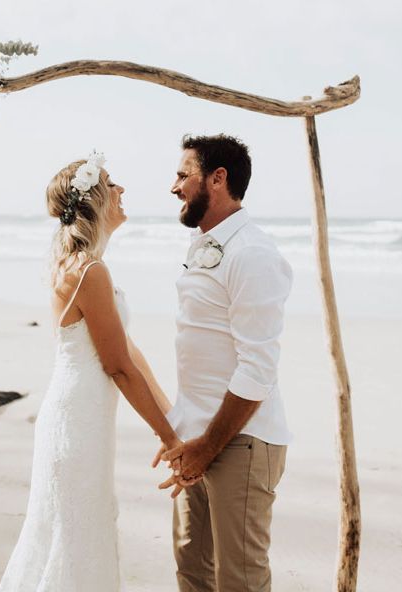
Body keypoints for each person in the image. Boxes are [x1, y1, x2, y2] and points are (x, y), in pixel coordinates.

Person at [0, 152, 179, 592]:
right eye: (113, 184)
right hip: (76, 423)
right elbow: (117, 366)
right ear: (95, 200)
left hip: (84, 419)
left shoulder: (86, 267)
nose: (122, 191)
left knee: (82, 530)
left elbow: (131, 355)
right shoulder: (89, 271)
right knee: (76, 534)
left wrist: (174, 421)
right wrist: (169, 438)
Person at [156, 134, 293, 592]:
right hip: (197, 436)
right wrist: (184, 437)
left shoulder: (252, 253)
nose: (173, 187)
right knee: (192, 570)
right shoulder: (207, 244)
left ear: (218, 179)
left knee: (240, 581)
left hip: (240, 441)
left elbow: (258, 368)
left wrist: (207, 447)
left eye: (182, 175)